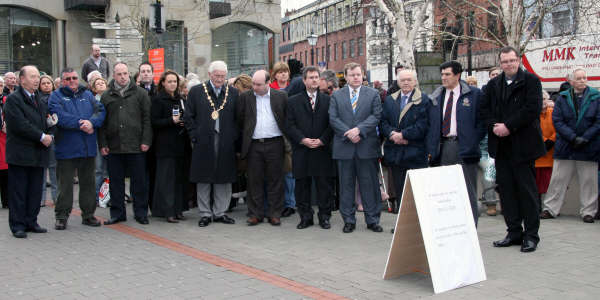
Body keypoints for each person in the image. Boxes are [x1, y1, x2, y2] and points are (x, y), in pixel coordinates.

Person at [479, 46, 545, 253]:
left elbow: (531, 110)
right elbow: (485, 110)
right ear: (500, 63)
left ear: (519, 61)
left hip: (523, 147)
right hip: (501, 147)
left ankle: (531, 235)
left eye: (512, 61)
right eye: (505, 61)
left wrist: (508, 126)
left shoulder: (531, 82)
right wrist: (494, 127)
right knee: (506, 192)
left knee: (527, 192)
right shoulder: (493, 84)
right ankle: (514, 232)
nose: (508, 64)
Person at [427, 61, 485, 226]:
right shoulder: (437, 95)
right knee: (445, 190)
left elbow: (482, 122)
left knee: (468, 190)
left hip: (465, 147)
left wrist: (472, 140)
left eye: (447, 74)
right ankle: (450, 225)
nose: (443, 78)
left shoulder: (474, 95)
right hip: (443, 147)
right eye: (442, 74)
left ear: (458, 75)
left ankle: (471, 225)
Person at [329, 62, 383, 233]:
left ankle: (372, 219)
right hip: (345, 146)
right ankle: (349, 220)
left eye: (358, 74)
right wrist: (349, 132)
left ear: (363, 75)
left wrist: (359, 130)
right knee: (346, 185)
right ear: (346, 76)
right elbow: (333, 118)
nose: (356, 77)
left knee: (370, 184)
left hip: (366, 146)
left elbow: (376, 116)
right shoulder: (337, 96)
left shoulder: (373, 94)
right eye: (352, 75)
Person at [48, 68, 106, 230]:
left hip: (87, 148)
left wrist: (92, 123)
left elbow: (100, 111)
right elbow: (59, 116)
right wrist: (83, 124)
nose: (72, 81)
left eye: (74, 78)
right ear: (62, 80)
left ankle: (88, 215)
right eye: (68, 79)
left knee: (88, 183)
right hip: (66, 149)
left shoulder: (87, 94)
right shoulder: (56, 96)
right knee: (65, 186)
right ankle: (61, 216)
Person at [541, 68, 600, 223]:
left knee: (589, 181)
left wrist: (585, 138)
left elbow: (598, 121)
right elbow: (558, 120)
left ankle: (589, 211)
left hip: (589, 146)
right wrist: (573, 138)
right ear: (571, 81)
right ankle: (550, 209)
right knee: (558, 180)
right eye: (578, 78)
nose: (582, 80)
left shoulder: (596, 97)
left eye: (584, 77)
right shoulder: (562, 97)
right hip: (566, 145)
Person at [185, 61, 239, 227]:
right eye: (217, 76)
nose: (220, 79)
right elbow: (189, 116)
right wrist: (194, 136)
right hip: (204, 141)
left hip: (225, 141)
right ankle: (205, 213)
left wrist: (234, 137)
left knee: (223, 177)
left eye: (223, 76)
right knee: (203, 177)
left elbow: (238, 118)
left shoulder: (233, 93)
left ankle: (220, 212)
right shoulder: (196, 91)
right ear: (209, 75)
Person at [98, 62, 152, 225]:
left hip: (136, 145)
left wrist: (146, 140)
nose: (122, 77)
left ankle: (141, 212)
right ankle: (117, 213)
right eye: (119, 74)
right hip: (114, 146)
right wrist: (103, 143)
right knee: (115, 182)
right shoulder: (106, 96)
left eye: (125, 73)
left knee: (139, 182)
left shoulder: (141, 93)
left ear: (129, 74)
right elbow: (102, 123)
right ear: (113, 75)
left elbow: (146, 119)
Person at [4, 65, 51, 238]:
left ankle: (32, 221)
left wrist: (50, 133)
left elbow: (47, 120)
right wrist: (41, 136)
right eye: (32, 76)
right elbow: (19, 124)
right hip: (20, 154)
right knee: (19, 191)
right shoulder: (14, 99)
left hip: (38, 153)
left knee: (35, 190)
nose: (37, 79)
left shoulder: (39, 98)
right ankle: (18, 225)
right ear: (22, 79)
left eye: (38, 76)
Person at [285, 66, 334, 229]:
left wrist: (322, 140)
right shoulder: (293, 101)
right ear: (304, 80)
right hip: (302, 150)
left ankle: (324, 216)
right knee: (302, 185)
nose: (314, 80)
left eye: (316, 77)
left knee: (323, 185)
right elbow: (289, 125)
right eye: (311, 77)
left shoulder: (328, 100)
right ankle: (305, 217)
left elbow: (332, 124)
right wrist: (302, 139)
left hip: (322, 149)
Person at [237, 70, 288, 226]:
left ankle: (274, 213)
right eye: (253, 83)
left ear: (268, 83)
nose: (255, 87)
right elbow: (240, 121)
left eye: (258, 84)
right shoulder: (245, 98)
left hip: (275, 143)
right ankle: (255, 213)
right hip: (253, 145)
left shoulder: (281, 97)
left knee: (276, 180)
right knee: (254, 180)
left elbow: (286, 118)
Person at [380, 69, 430, 212]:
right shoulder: (390, 99)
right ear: (398, 82)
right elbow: (383, 122)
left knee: (417, 192)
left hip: (415, 153)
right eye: (403, 80)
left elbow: (423, 125)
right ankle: (403, 226)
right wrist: (392, 134)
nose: (406, 82)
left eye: (409, 79)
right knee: (401, 191)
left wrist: (402, 135)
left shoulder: (424, 99)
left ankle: (419, 225)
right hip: (396, 154)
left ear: (415, 81)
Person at [150, 70, 189, 223]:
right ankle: (168, 211)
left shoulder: (181, 99)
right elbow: (155, 122)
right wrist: (170, 121)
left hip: (181, 144)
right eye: (170, 81)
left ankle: (178, 209)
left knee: (179, 179)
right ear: (163, 83)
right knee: (167, 179)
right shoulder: (158, 100)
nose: (173, 84)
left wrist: (183, 121)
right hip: (165, 146)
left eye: (175, 81)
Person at [482, 67, 502, 216]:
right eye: (492, 75)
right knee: (489, 170)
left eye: (497, 74)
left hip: (498, 146)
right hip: (481, 148)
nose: (495, 77)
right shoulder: (483, 96)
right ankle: (491, 204)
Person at [38, 75, 58, 206]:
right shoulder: (36, 98)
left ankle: (56, 197)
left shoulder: (57, 97)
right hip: (40, 136)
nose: (46, 85)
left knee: (53, 168)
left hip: (54, 136)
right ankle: (41, 199)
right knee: (41, 169)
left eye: (48, 83)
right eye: (43, 83)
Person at [534, 91, 556, 211]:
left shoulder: (554, 113)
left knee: (549, 184)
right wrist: (543, 140)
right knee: (535, 185)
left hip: (550, 154)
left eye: (543, 99)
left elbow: (559, 127)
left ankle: (548, 209)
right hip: (536, 156)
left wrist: (551, 140)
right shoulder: (532, 114)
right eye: (539, 98)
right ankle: (536, 208)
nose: (541, 101)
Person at [90, 77, 109, 203]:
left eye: (103, 82)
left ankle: (106, 196)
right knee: (98, 169)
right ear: (94, 88)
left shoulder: (109, 98)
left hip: (109, 137)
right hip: (96, 137)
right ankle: (96, 196)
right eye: (98, 83)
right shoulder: (92, 101)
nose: (101, 84)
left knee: (108, 170)